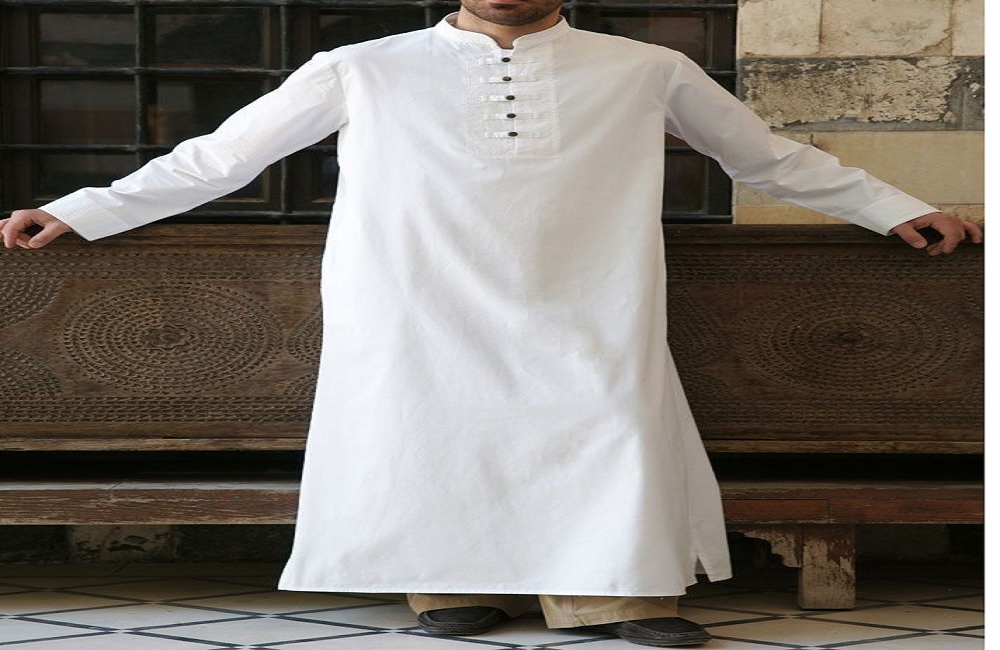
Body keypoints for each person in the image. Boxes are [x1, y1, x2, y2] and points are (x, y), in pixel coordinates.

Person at [1, 0, 982, 646]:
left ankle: (615, 589)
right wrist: (83, 209)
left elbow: (765, 157)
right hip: (413, 290)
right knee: (434, 419)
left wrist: (893, 207)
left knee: (604, 411)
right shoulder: (361, 67)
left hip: (590, 282)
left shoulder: (644, 68)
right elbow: (221, 159)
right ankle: (450, 580)